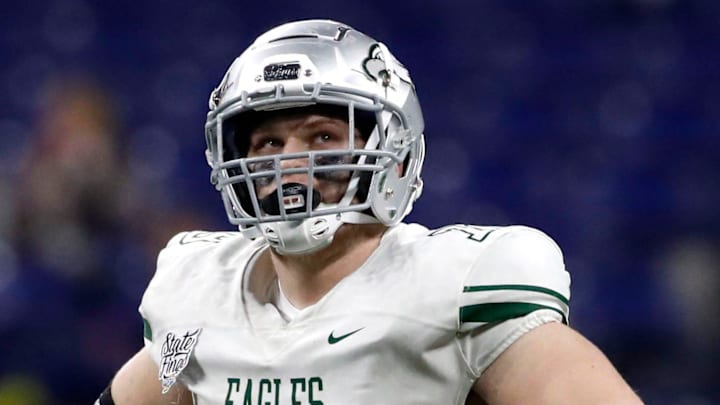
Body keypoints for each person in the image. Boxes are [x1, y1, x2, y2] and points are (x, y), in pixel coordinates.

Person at [97, 19, 643, 405]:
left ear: (394, 152)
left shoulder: (455, 287)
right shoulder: (198, 291)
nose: (291, 162)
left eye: (323, 135)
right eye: (267, 142)